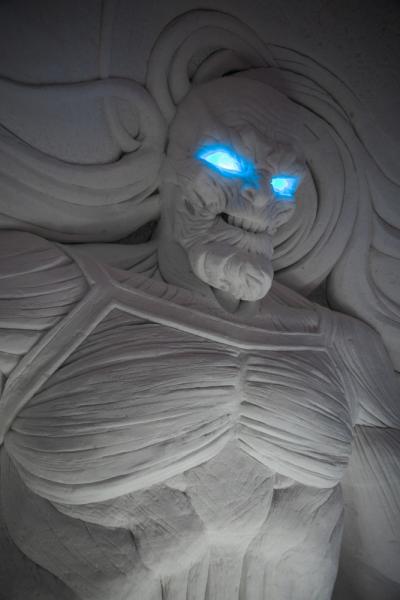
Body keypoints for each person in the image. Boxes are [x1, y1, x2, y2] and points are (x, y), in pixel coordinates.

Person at [0, 76, 398, 600]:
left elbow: (387, 560)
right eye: (228, 162)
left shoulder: (344, 350)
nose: (261, 196)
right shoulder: (51, 295)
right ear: (170, 167)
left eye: (283, 184)